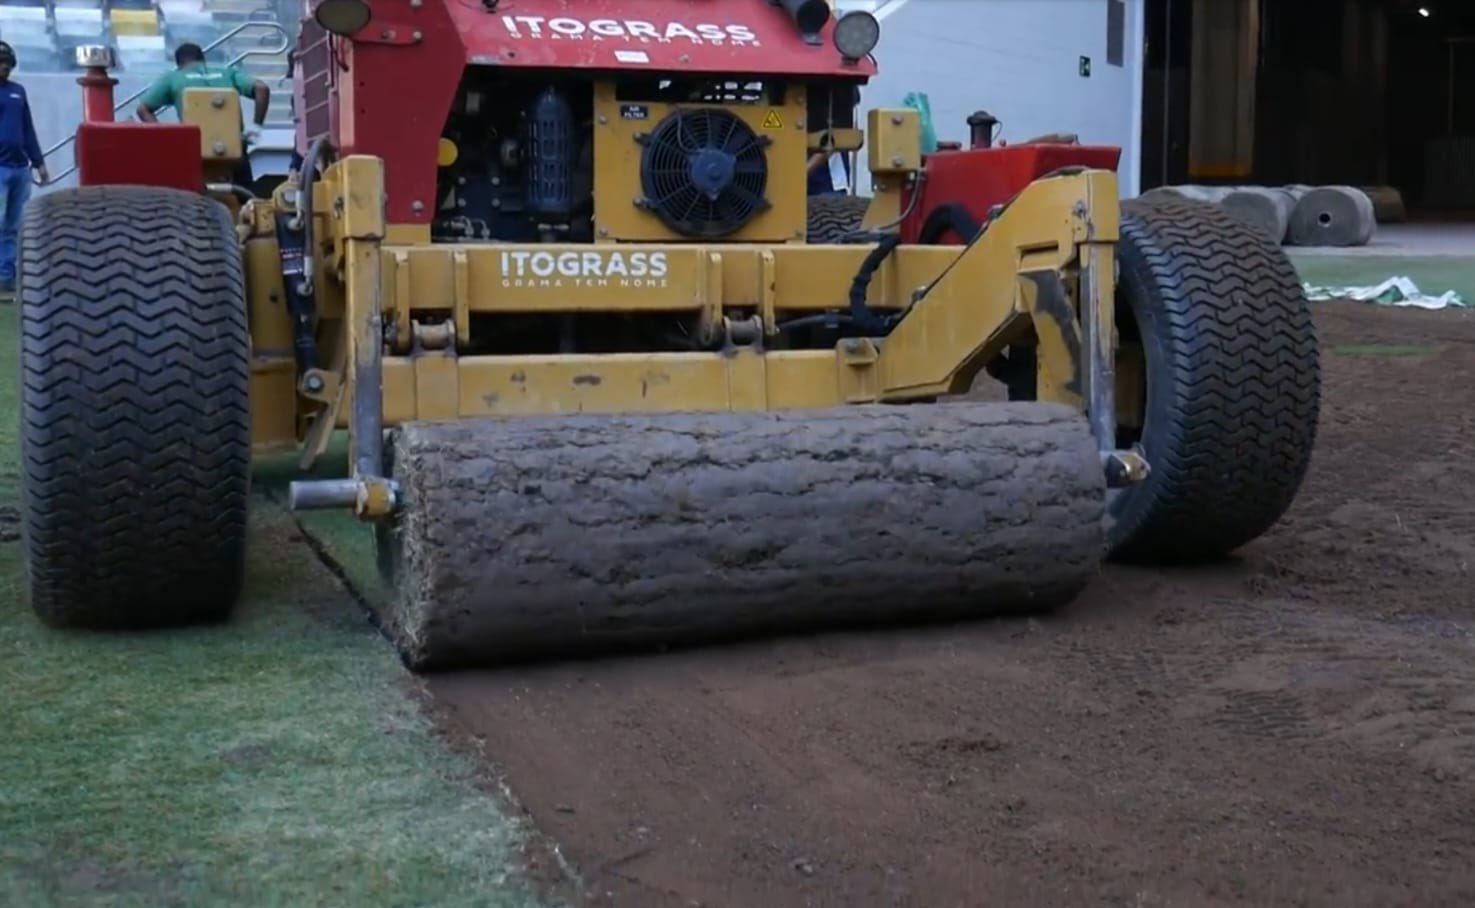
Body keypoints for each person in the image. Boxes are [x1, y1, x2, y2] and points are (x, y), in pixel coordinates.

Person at [136, 43, 271, 186]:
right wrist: (256, 126)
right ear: (203, 59)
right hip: (234, 148)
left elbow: (142, 109)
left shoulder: (173, 78)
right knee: (244, 199)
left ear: (179, 64)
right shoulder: (228, 72)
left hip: (194, 150)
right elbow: (262, 88)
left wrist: (166, 136)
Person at [0, 41, 47, 296]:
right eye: (0, 62)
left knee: (14, 224)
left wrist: (38, 161)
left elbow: (27, 129)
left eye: (7, 62)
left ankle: (7, 274)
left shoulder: (19, 92)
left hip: (20, 168)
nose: (4, 67)